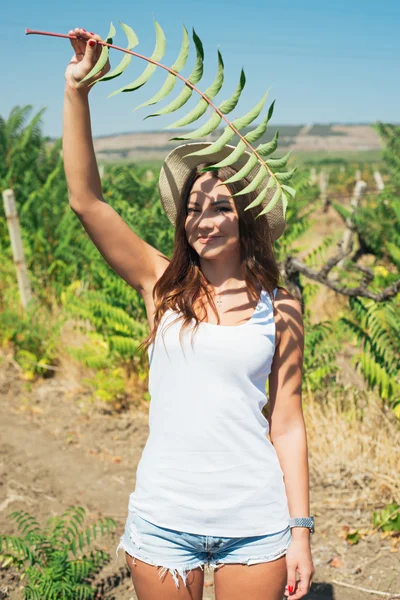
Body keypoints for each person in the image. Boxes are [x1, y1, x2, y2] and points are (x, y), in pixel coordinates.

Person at [64, 27, 315, 600]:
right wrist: (77, 91)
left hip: (255, 524)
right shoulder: (160, 285)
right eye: (194, 207)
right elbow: (86, 200)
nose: (204, 218)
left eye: (221, 206)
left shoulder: (281, 307)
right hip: (163, 519)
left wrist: (300, 531)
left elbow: (289, 423)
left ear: (246, 218)